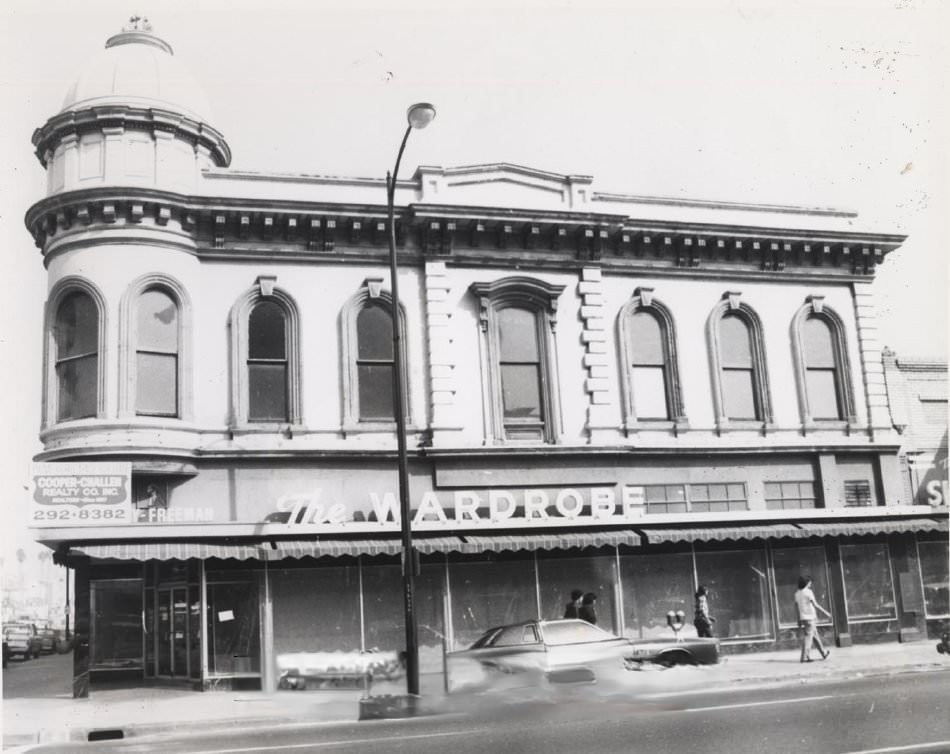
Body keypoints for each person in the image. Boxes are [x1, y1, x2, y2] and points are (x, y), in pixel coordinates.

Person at [794, 576, 831, 663]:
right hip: (810, 618)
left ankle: (823, 653)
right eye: (810, 582)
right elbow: (815, 604)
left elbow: (796, 608)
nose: (810, 584)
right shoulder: (808, 592)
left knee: (814, 636)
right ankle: (804, 657)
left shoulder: (797, 594)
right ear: (806, 583)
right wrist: (826, 613)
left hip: (803, 618)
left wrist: (798, 619)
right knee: (808, 638)